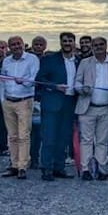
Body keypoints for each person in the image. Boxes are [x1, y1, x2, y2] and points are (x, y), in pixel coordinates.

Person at [74, 37, 108, 181]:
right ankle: (86, 169)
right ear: (92, 47)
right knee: (86, 140)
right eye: (95, 45)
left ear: (106, 45)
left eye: (101, 44)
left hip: (107, 107)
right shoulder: (85, 62)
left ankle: (100, 168)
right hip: (88, 107)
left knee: (102, 140)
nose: (98, 47)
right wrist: (82, 89)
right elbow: (77, 82)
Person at [36, 32, 80, 181]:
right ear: (60, 43)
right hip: (52, 102)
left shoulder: (78, 61)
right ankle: (46, 168)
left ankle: (59, 167)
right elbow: (40, 79)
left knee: (64, 137)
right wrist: (55, 86)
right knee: (49, 137)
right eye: (65, 41)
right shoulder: (49, 59)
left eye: (70, 41)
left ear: (74, 43)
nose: (67, 43)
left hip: (70, 102)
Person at [0, 36, 39, 180]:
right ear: (9, 47)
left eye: (18, 44)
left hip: (24, 100)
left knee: (23, 135)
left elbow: (34, 79)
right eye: (13, 45)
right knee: (12, 136)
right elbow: (2, 81)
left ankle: (22, 166)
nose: (16, 47)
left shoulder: (32, 59)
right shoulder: (6, 61)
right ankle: (14, 165)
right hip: (8, 101)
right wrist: (2, 99)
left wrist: (24, 82)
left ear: (23, 44)